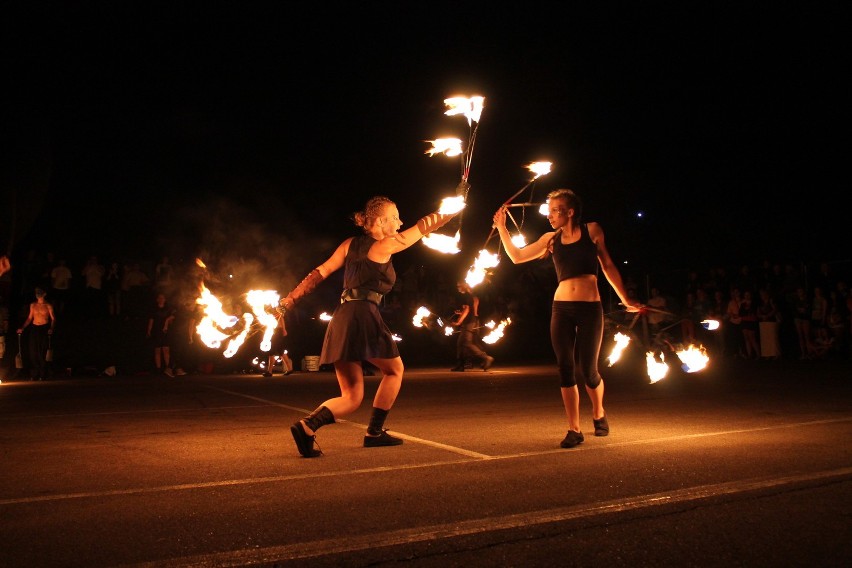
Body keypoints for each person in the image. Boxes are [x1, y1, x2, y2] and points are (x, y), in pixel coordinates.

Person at [281, 190, 463, 458]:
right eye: (395, 218)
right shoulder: (385, 245)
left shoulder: (348, 245)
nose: (400, 223)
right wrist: (455, 207)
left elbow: (319, 272)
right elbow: (424, 226)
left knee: (352, 396)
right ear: (379, 222)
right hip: (363, 315)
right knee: (394, 370)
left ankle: (308, 426)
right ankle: (374, 433)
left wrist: (290, 299)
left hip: (342, 317)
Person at [492, 188, 641, 449]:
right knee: (565, 368)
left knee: (589, 371)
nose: (549, 216)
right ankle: (574, 429)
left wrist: (626, 300)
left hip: (590, 309)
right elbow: (517, 257)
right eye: (548, 211)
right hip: (561, 309)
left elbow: (607, 266)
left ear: (569, 212)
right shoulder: (551, 239)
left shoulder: (592, 230)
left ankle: (598, 413)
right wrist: (502, 228)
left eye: (554, 211)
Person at [449, 280, 494, 372]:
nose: (457, 288)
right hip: (472, 321)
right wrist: (460, 313)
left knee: (466, 343)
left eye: (459, 286)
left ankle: (486, 358)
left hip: (469, 322)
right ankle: (460, 365)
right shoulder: (472, 297)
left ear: (464, 286)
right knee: (461, 343)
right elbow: (472, 311)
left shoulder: (466, 296)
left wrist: (458, 322)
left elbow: (467, 310)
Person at [16, 287, 57, 381]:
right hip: (34, 328)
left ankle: (43, 374)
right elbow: (30, 318)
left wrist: (51, 328)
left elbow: (53, 319)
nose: (38, 295)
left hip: (44, 328)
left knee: (42, 352)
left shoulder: (48, 305)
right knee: (33, 351)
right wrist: (22, 328)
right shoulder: (33, 305)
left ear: (44, 294)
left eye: (40, 293)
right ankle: (35, 373)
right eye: (36, 293)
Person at [146, 292, 175, 376]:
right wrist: (149, 330)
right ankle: (158, 370)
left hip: (165, 331)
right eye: (160, 298)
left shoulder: (168, 309)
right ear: (157, 299)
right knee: (157, 350)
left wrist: (166, 322)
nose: (161, 299)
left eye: (163, 298)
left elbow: (173, 317)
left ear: (165, 300)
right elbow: (151, 320)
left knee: (166, 350)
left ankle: (167, 369)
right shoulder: (154, 309)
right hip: (156, 331)